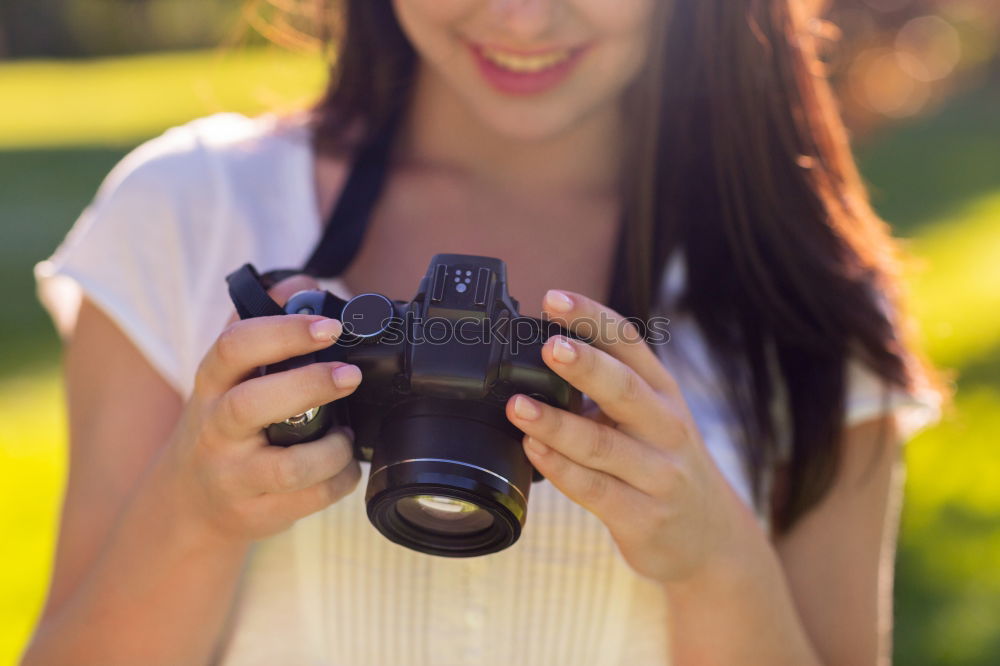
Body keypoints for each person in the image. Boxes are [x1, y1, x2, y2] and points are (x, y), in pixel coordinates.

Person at [25, 0, 944, 664]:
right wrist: (195, 514)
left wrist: (713, 558)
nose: (523, 18)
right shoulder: (189, 213)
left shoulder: (804, 297)